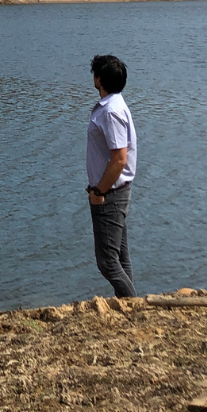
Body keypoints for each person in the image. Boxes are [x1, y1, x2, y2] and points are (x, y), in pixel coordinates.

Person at [86, 53, 137, 297]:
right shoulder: (115, 105)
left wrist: (98, 192)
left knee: (107, 261)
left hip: (110, 193)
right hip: (115, 190)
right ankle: (129, 307)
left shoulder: (110, 111)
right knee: (120, 257)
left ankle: (133, 306)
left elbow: (119, 158)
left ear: (99, 79)